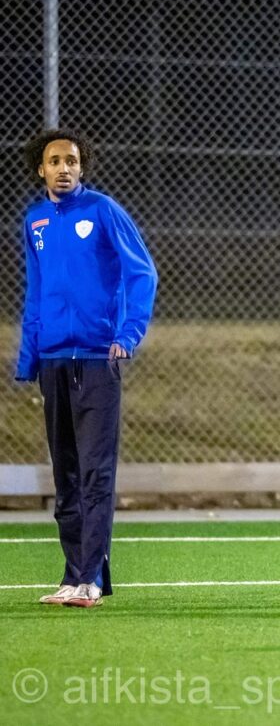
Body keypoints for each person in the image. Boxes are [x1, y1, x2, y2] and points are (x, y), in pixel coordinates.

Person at [15, 128, 158, 608]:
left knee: (96, 473)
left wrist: (128, 333)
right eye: (55, 161)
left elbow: (143, 272)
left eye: (72, 161)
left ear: (82, 167)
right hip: (54, 360)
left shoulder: (102, 210)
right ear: (41, 168)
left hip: (99, 359)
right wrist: (28, 355)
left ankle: (89, 580)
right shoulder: (34, 220)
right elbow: (34, 293)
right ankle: (77, 574)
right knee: (66, 475)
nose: (64, 168)